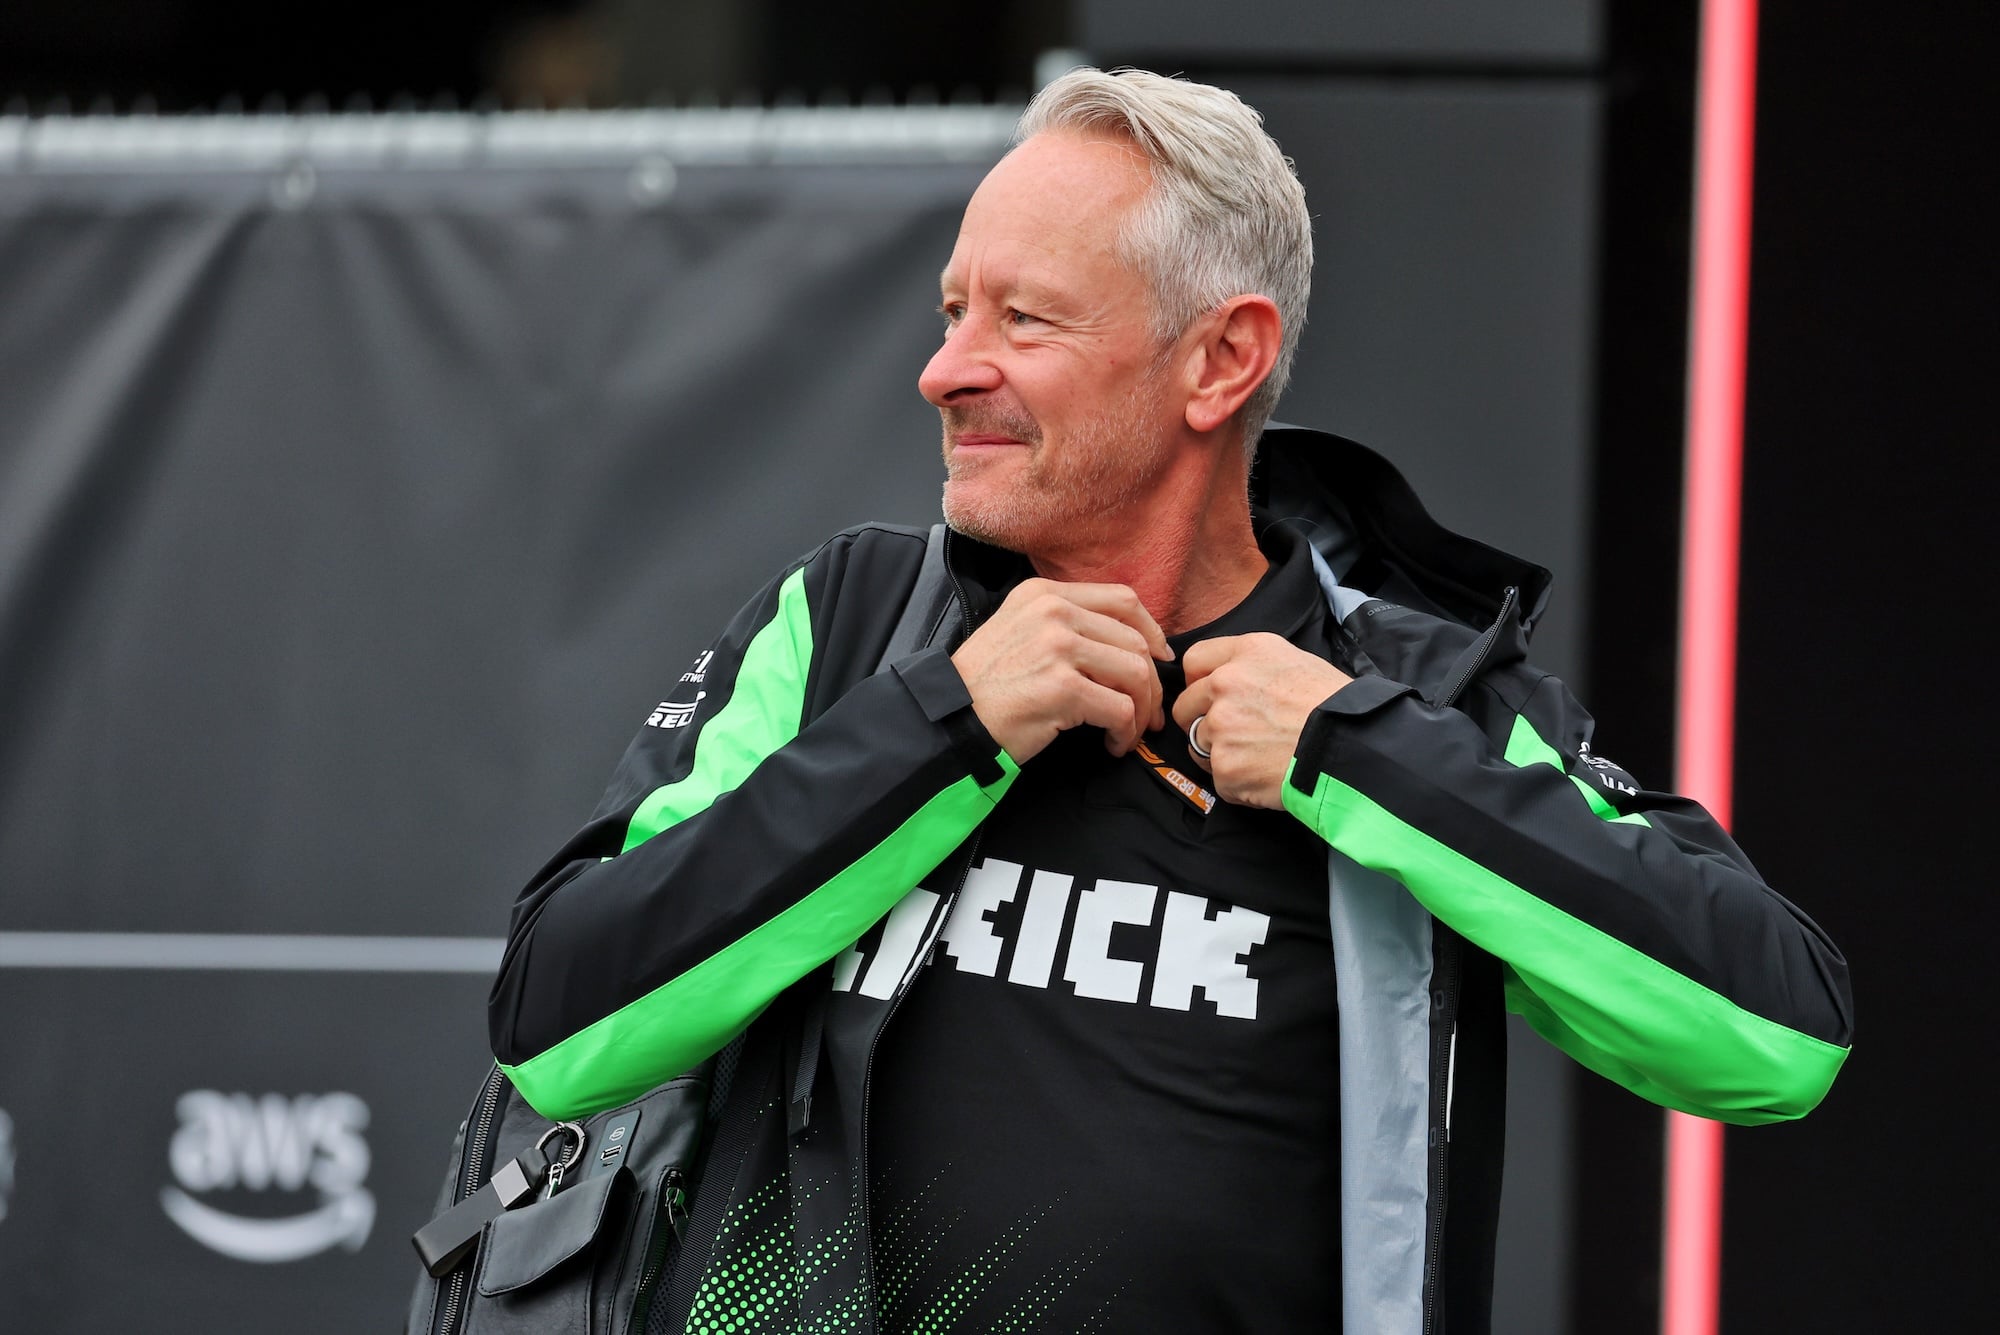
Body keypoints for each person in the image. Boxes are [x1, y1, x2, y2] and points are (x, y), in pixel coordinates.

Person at [487, 67, 1852, 1335]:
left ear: (1220, 361)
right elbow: (560, 1028)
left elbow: (1775, 1036)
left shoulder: (1408, 701)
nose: (947, 368)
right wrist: (947, 725)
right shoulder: (849, 627)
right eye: (954, 311)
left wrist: (1349, 752)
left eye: (1022, 318)